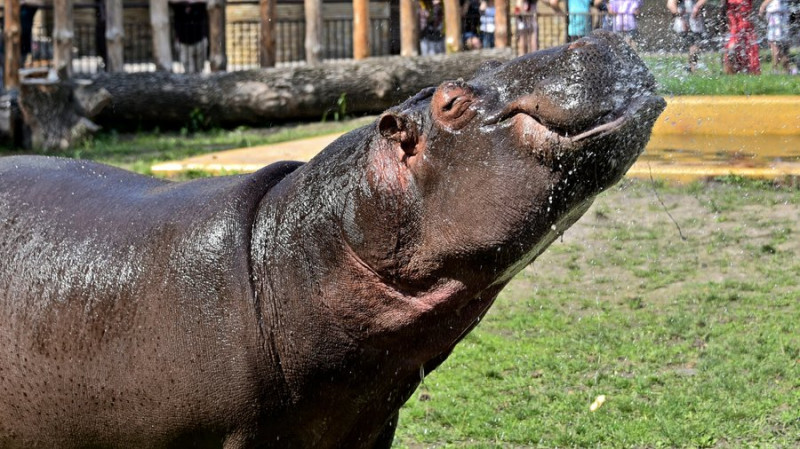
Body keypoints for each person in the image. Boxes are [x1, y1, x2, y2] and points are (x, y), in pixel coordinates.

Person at [721, 0, 761, 74]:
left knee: (749, 56)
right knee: (730, 52)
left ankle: (749, 77)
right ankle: (730, 78)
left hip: (746, 27)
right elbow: (723, 9)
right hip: (733, 27)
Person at [667, 0, 707, 72]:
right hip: (683, 23)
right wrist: (681, 18)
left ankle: (691, 67)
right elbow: (670, 4)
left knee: (696, 45)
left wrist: (697, 7)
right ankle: (691, 67)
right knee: (692, 45)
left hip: (695, 22)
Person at [171, 0, 209, 73]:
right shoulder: (179, 7)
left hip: (199, 38)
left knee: (199, 67)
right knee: (188, 67)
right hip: (184, 40)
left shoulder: (200, 6)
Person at [759, 0, 791, 73]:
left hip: (776, 14)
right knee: (781, 44)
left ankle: (776, 68)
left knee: (775, 43)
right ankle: (786, 69)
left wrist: (763, 6)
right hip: (781, 13)